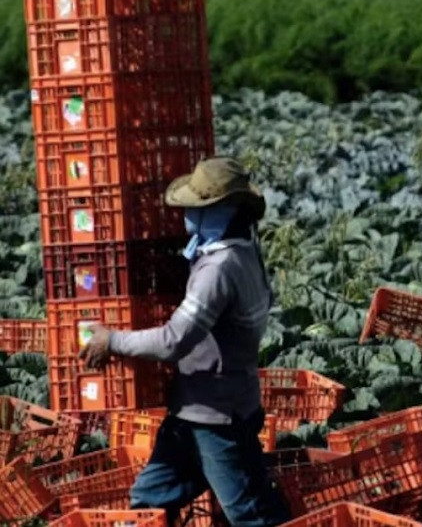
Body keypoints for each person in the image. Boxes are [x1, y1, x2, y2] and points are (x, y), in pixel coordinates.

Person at [80, 156, 290, 526]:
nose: (187, 215)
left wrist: (111, 339)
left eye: (197, 208)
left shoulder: (219, 269)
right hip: (199, 408)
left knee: (252, 514)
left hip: (217, 415)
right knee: (151, 497)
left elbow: (173, 341)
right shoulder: (244, 251)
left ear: (222, 211)